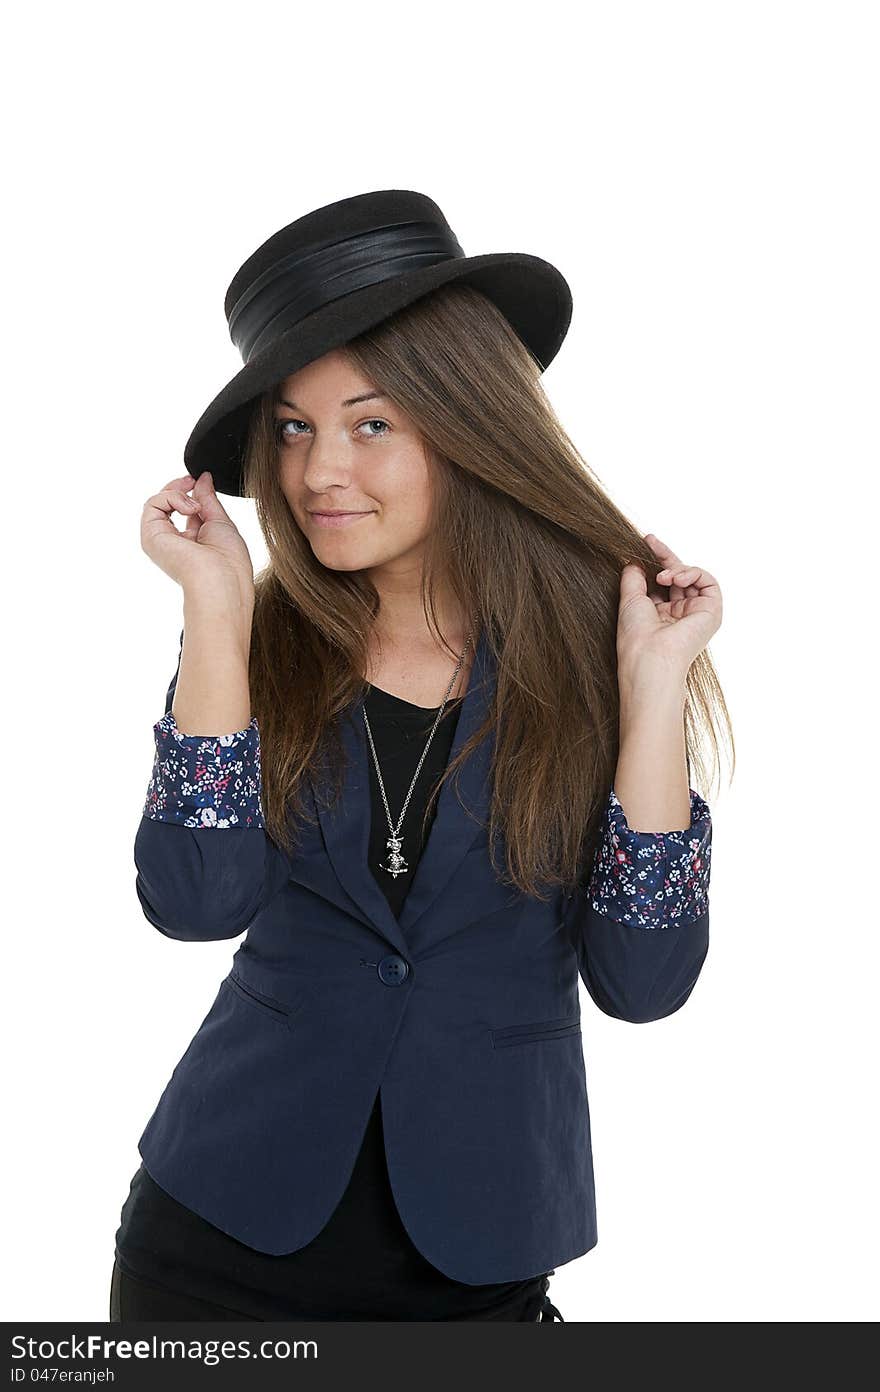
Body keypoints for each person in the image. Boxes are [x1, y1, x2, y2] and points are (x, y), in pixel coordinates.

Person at [110, 189, 729, 1323]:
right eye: (292, 427)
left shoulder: (594, 651)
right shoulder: (260, 645)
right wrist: (212, 607)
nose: (318, 471)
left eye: (371, 422)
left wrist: (650, 686)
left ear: (468, 420)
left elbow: (643, 982)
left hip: (476, 1262)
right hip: (214, 1241)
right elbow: (197, 903)